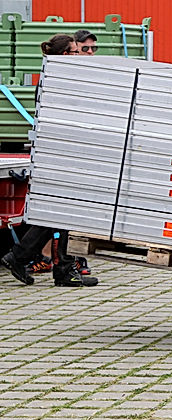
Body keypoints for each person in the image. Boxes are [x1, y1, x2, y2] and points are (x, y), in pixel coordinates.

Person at [1, 34, 97, 287]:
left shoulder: (58, 78)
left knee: (61, 213)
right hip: (58, 153)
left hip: (61, 152)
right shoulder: (56, 80)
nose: (82, 55)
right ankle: (29, 259)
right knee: (61, 211)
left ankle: (56, 267)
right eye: (77, 51)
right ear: (65, 55)